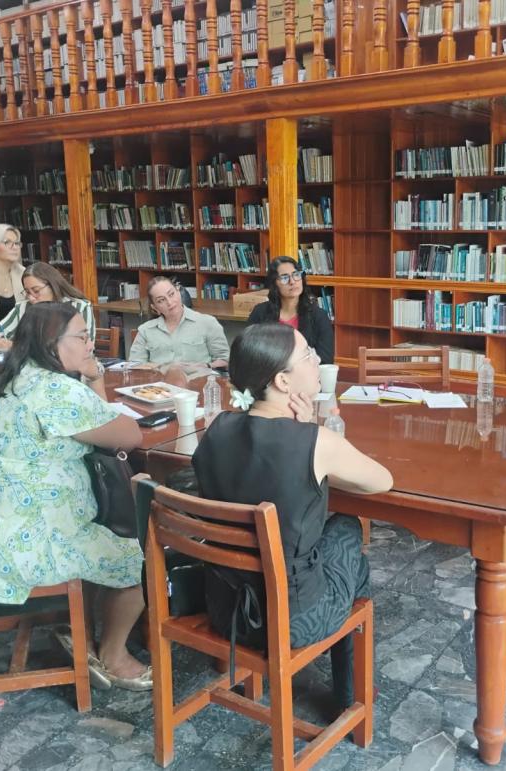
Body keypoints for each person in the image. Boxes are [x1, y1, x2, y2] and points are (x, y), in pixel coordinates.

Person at [0, 303, 151, 690]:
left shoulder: (7, 378)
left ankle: (81, 634)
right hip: (20, 548)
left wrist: (88, 377)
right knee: (139, 557)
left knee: (101, 530)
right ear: (52, 344)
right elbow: (129, 436)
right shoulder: (55, 391)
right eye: (82, 336)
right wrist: (95, 378)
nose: (90, 344)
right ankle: (113, 655)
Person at [192, 323, 392, 711]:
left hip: (225, 610)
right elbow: (382, 481)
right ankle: (350, 694)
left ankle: (344, 687)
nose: (317, 360)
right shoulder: (317, 442)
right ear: (282, 381)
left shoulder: (215, 429)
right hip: (294, 620)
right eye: (307, 355)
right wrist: (311, 431)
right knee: (348, 529)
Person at [0, 262, 94, 349]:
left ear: (53, 285)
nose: (31, 298)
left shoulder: (80, 307)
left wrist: (23, 349)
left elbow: (86, 346)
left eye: (36, 291)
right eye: (27, 292)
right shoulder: (23, 307)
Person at [248, 256, 334, 364]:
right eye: (284, 278)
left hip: (305, 373)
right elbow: (248, 352)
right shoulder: (260, 313)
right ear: (274, 284)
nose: (292, 281)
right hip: (268, 373)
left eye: (296, 274)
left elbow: (325, 360)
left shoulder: (319, 316)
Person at [128, 275, 229, 367]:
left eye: (171, 294)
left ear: (178, 292)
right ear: (155, 308)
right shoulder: (145, 330)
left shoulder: (207, 323)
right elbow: (134, 365)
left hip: (198, 379)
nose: (169, 302)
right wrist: (159, 368)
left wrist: (206, 366)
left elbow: (225, 361)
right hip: (159, 380)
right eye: (161, 300)